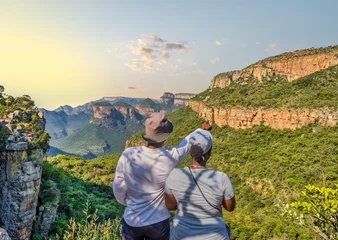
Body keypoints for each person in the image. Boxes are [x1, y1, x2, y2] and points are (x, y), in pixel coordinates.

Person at [113, 112, 211, 240]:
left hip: (132, 221)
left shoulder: (128, 154)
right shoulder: (170, 157)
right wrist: (200, 130)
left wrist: (131, 203)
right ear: (165, 137)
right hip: (158, 222)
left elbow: (118, 188)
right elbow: (186, 144)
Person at [165, 129, 236, 240]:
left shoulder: (174, 174)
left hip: (182, 235)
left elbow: (171, 206)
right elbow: (230, 207)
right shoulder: (221, 178)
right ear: (209, 152)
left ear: (190, 151)